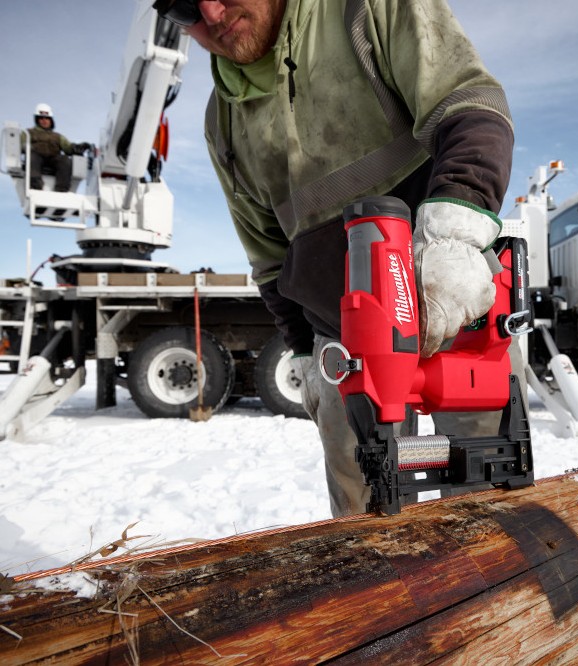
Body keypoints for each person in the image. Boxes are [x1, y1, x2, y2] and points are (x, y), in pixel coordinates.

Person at [154, 0, 524, 516]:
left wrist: (456, 234)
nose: (211, 12)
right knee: (360, 519)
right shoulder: (223, 121)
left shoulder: (363, 9)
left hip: (455, 301)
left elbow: (470, 104)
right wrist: (304, 351)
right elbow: (268, 255)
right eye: (183, 7)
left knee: (486, 503)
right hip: (340, 338)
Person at [26, 103, 90, 192]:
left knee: (65, 160)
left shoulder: (57, 137)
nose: (44, 121)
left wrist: (78, 147)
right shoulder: (29, 133)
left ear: (51, 120)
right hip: (37, 157)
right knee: (32, 157)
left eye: (47, 118)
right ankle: (35, 186)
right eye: (41, 118)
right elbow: (21, 144)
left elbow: (68, 148)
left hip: (53, 158)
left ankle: (62, 189)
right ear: (37, 120)